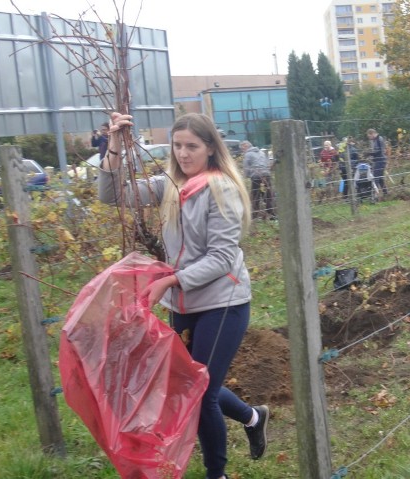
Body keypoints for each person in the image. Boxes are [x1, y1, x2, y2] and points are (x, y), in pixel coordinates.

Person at [99, 112, 270, 479]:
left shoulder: (221, 188)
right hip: (181, 302)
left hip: (223, 301)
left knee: (201, 394)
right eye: (177, 146)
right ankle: (253, 416)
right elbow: (111, 195)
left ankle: (216, 474)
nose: (183, 154)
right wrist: (114, 144)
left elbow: (222, 258)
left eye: (192, 146)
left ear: (210, 148)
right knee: (185, 382)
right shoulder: (171, 187)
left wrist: (170, 281)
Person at [242, 140, 276, 220]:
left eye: (242, 148)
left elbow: (246, 167)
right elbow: (267, 163)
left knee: (255, 196)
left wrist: (246, 176)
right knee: (268, 195)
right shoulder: (261, 152)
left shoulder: (248, 154)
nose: (242, 150)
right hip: (266, 175)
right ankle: (271, 214)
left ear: (246, 146)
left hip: (256, 176)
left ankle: (254, 216)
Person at [366, 128, 388, 196]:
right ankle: (385, 193)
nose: (369, 138)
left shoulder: (379, 139)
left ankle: (375, 195)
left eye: (369, 136)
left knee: (376, 177)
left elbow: (379, 151)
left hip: (380, 160)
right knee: (380, 177)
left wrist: (370, 153)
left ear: (372, 134)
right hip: (380, 160)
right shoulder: (377, 139)